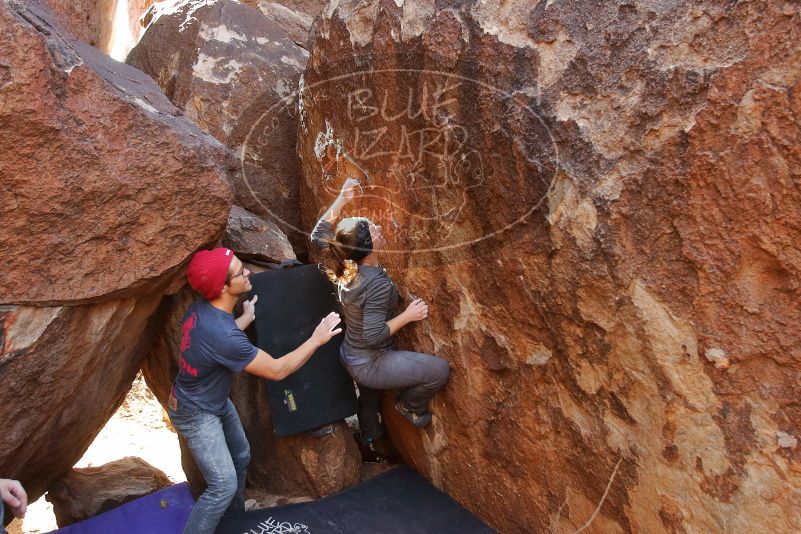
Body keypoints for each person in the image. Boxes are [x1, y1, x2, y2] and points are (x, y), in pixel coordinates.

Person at [168, 247, 342, 534]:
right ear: (223, 287)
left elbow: (216, 345)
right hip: (195, 412)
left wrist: (245, 319)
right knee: (222, 486)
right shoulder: (222, 335)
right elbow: (277, 370)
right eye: (240, 272)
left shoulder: (204, 309)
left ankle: (235, 520)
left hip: (211, 399)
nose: (247, 272)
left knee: (241, 455)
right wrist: (316, 339)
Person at [311, 177, 451, 458]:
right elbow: (374, 335)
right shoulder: (376, 284)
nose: (377, 227)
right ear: (368, 248)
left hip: (351, 353)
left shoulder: (343, 263)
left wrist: (342, 197)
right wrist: (409, 315)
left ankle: (371, 441)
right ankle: (409, 406)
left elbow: (318, 235)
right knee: (439, 371)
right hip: (370, 360)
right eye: (372, 229)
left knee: (370, 398)